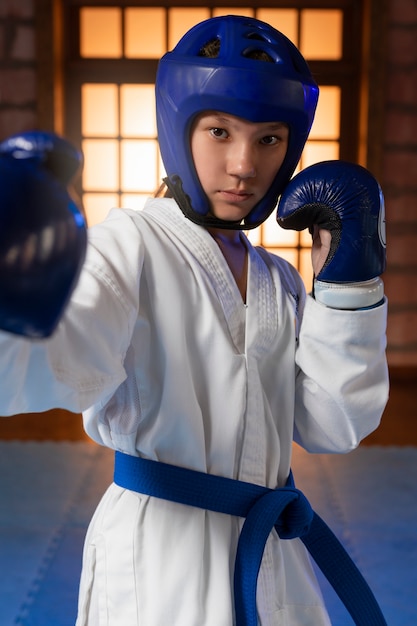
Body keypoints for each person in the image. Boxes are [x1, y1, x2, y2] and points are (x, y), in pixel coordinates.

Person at [0, 15, 388, 626]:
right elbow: (54, 366)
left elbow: (333, 424)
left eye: (269, 139)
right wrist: (15, 297)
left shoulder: (278, 279)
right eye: (218, 131)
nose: (243, 165)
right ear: (178, 129)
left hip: (271, 551)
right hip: (160, 554)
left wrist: (347, 288)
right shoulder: (127, 248)